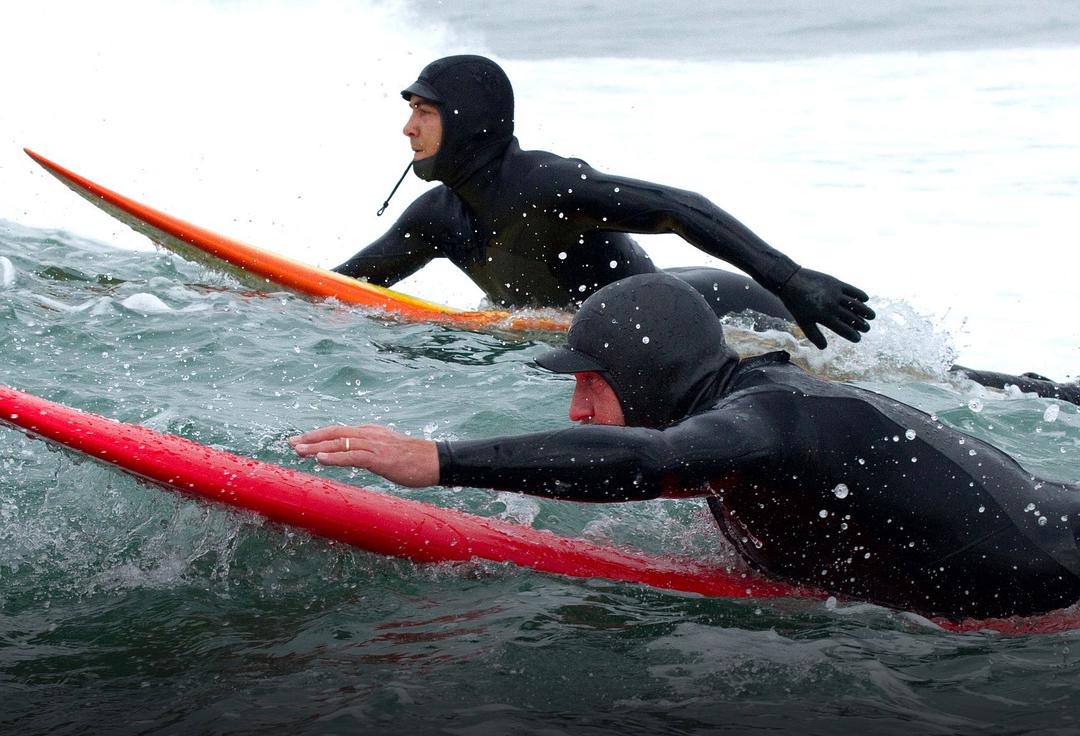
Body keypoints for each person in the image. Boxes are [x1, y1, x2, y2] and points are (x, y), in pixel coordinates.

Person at [291, 272, 1080, 621]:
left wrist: (439, 462)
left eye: (592, 382)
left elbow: (647, 461)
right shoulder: (745, 420)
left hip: (1055, 572)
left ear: (649, 373)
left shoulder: (767, 417)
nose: (578, 407)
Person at [334, 54, 874, 350]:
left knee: (868, 365)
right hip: (603, 336)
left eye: (425, 112)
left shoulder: (546, 187)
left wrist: (791, 278)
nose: (408, 129)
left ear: (467, 120)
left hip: (714, 309)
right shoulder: (438, 220)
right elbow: (338, 291)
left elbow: (678, 206)